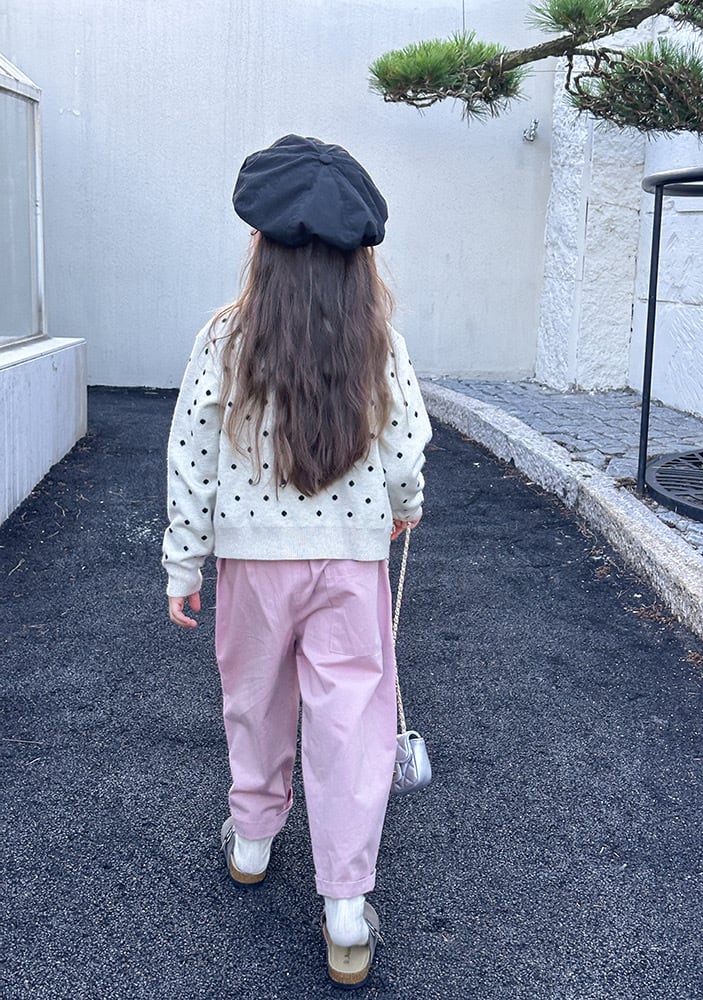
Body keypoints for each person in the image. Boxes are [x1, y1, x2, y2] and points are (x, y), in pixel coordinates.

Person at [162, 134, 432, 987]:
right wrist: (405, 506)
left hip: (252, 565)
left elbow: (191, 454)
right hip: (348, 562)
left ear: (261, 244)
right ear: (359, 260)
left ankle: (252, 840)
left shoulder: (225, 336)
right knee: (351, 722)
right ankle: (346, 909)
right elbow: (406, 447)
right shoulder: (377, 341)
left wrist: (184, 563)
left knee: (254, 700)